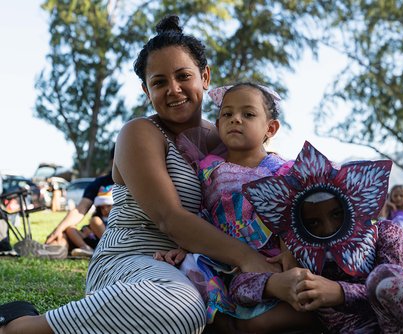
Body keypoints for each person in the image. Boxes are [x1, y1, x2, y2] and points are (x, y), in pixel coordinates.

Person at [0, 15, 279, 334]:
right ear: (147, 91)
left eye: (183, 76)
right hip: (133, 260)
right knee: (181, 309)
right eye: (159, 82)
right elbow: (169, 219)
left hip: (204, 264)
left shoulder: (226, 137)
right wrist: (245, 257)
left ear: (205, 76)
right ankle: (21, 326)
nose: (173, 90)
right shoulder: (140, 133)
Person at [233, 153, 403, 333]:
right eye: (313, 223)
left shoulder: (385, 232)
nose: (327, 229)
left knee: (384, 276)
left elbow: (401, 287)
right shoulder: (299, 255)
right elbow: (239, 287)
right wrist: (276, 283)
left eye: (336, 214)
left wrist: (340, 293)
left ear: (356, 205)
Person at [155, 83, 316, 333]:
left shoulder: (282, 171)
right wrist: (182, 248)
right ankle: (227, 322)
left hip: (270, 256)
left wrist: (288, 252)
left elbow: (290, 215)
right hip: (223, 255)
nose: (235, 120)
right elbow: (203, 211)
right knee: (192, 265)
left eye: (248, 115)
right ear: (218, 125)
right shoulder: (209, 169)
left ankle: (272, 316)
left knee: (296, 285)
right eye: (227, 114)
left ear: (270, 128)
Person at [45, 146, 115, 257]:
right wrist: (57, 230)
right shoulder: (101, 182)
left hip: (121, 236)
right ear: (113, 161)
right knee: (64, 232)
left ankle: (111, 250)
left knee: (94, 222)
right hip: (97, 235)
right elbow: (80, 209)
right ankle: (55, 250)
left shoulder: (139, 183)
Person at [65, 186, 113, 257]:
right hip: (92, 239)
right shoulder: (99, 216)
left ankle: (109, 248)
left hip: (108, 241)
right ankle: (86, 248)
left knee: (95, 220)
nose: (105, 209)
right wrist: (89, 232)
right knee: (70, 229)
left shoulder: (118, 217)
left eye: (108, 206)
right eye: (102, 207)